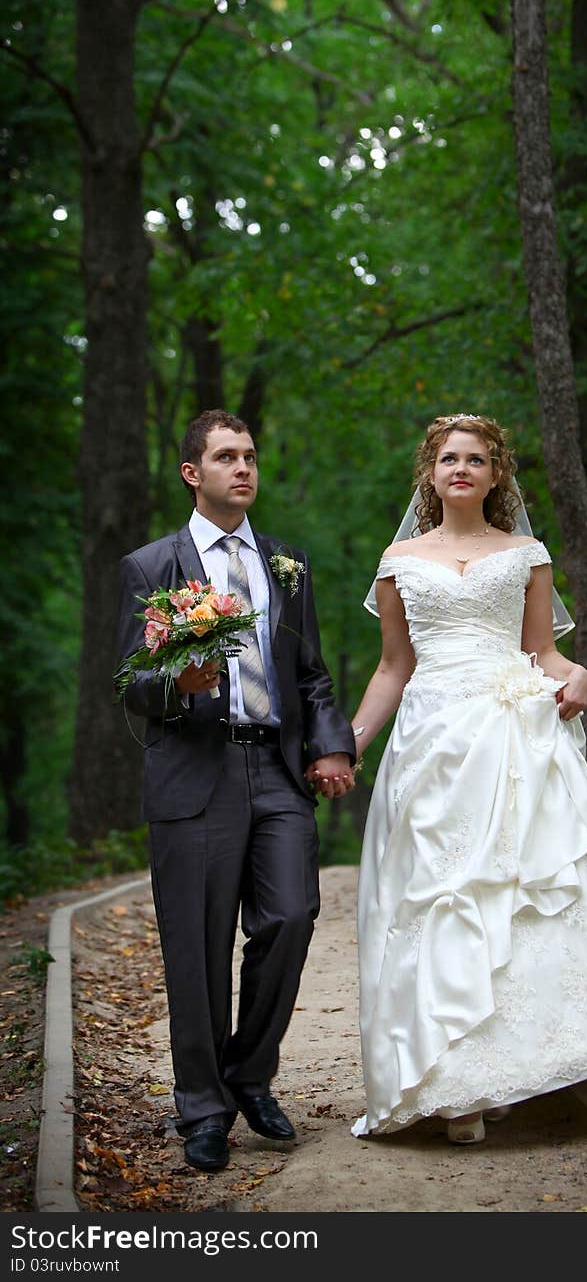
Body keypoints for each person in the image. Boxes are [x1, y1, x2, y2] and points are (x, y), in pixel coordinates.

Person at [349, 413, 587, 1144]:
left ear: (496, 475)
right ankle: (451, 1083)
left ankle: (497, 1068)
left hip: (511, 736)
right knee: (438, 901)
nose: (460, 469)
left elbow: (543, 653)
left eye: (475, 459)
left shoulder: (526, 552)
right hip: (433, 741)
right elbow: (393, 667)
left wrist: (581, 673)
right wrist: (348, 742)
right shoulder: (399, 557)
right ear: (430, 474)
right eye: (448, 459)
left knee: (511, 902)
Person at [116, 409, 356, 1172]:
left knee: (292, 914)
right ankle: (204, 1110)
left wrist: (331, 746)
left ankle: (249, 1072)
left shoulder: (287, 563)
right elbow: (130, 683)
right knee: (197, 947)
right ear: (194, 473)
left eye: (250, 456)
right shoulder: (153, 565)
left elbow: (311, 673)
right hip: (195, 772)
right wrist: (175, 685)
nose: (243, 468)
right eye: (226, 457)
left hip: (276, 771)